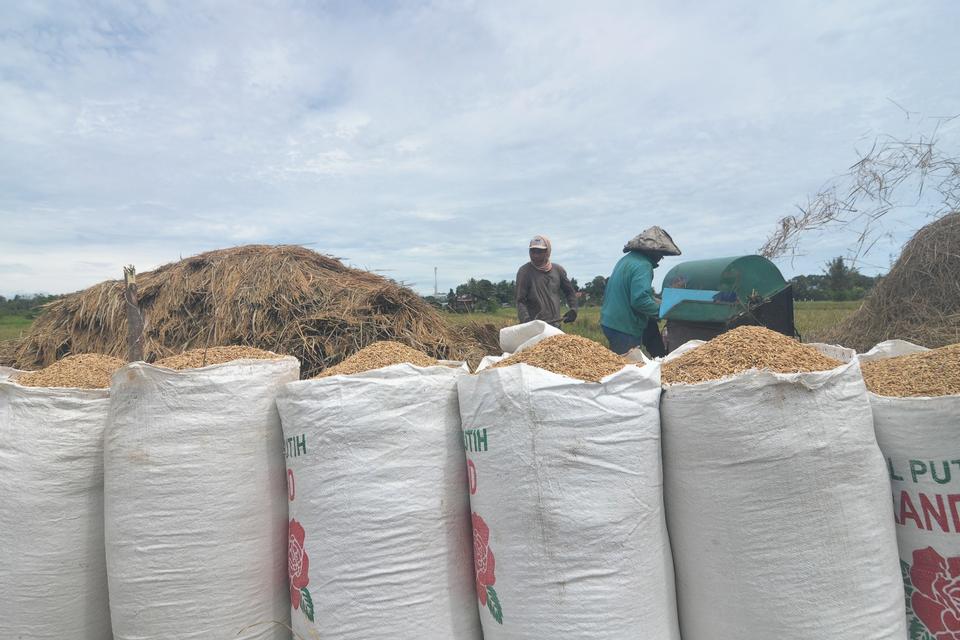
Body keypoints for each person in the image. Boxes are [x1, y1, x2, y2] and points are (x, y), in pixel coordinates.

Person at [600, 226, 681, 356]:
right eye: (661, 254)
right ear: (652, 251)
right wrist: (664, 311)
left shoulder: (627, 260)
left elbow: (641, 294)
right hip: (624, 326)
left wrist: (660, 302)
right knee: (629, 368)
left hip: (610, 322)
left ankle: (661, 360)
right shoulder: (643, 266)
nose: (661, 258)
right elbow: (639, 300)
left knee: (652, 333)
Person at [515, 235, 578, 327]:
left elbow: (570, 292)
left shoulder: (558, 270)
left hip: (555, 324)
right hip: (534, 326)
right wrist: (527, 321)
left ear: (547, 252)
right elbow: (520, 300)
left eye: (539, 252)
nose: (535, 255)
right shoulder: (524, 272)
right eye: (532, 251)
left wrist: (573, 309)